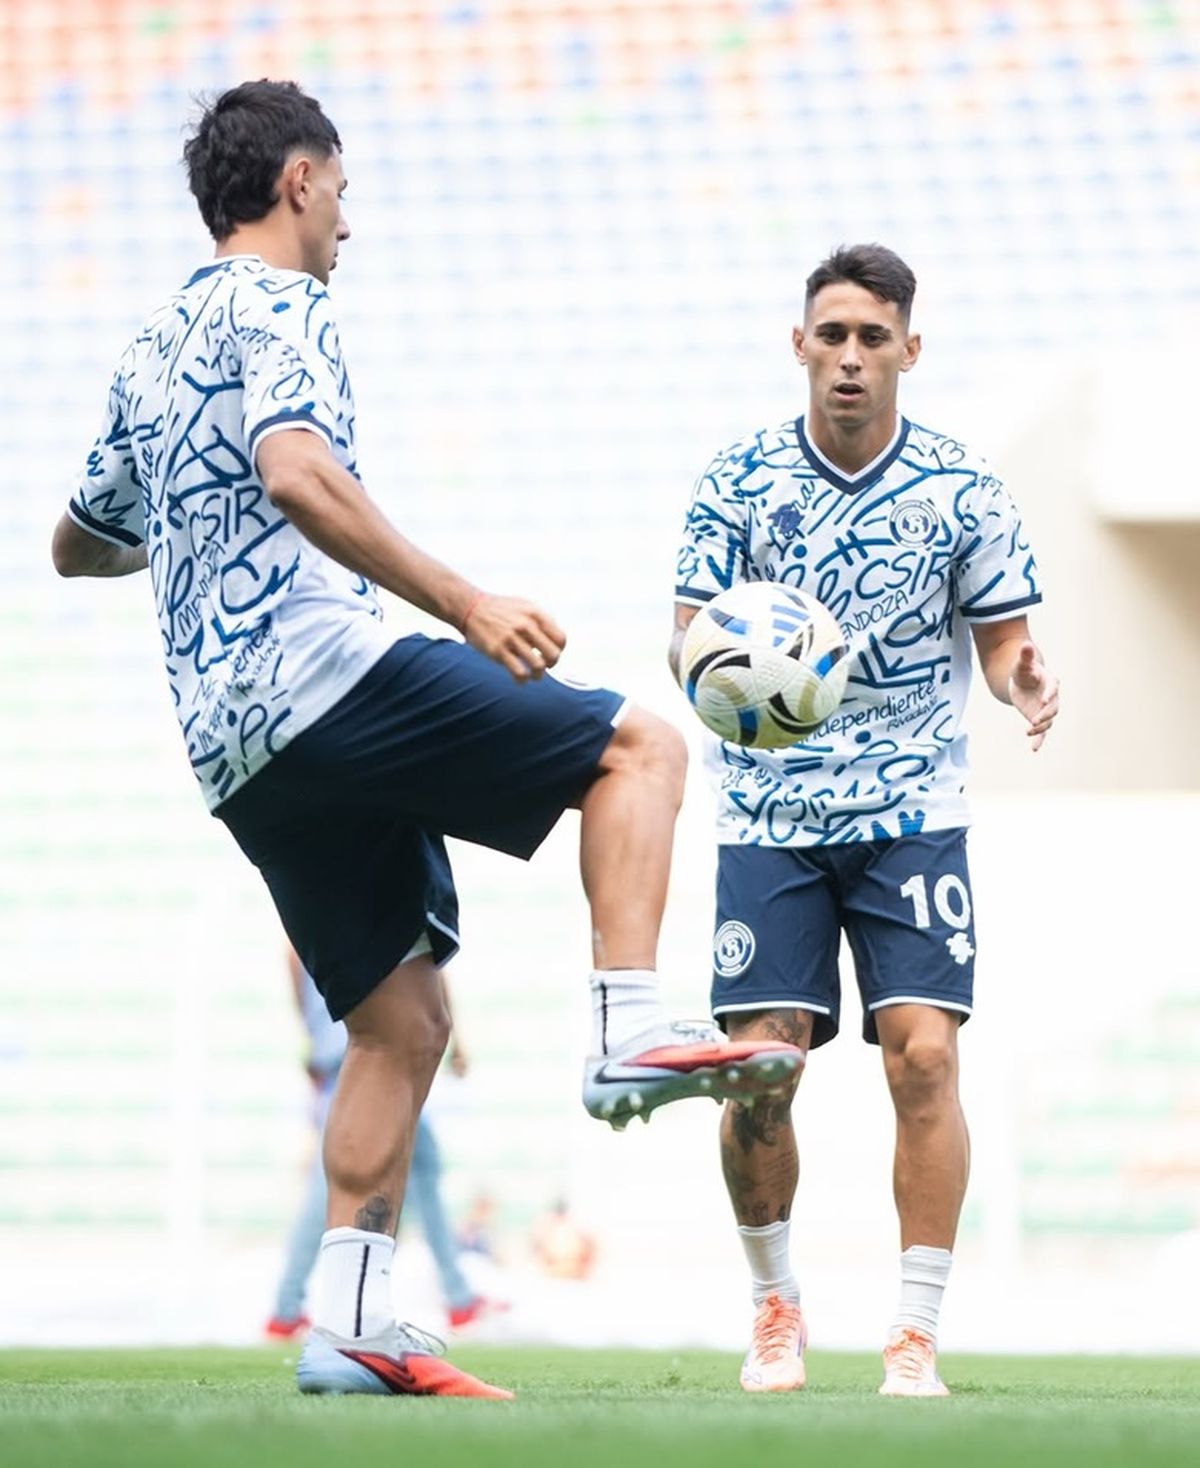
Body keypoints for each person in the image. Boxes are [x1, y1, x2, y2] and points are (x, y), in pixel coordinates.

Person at [50, 79, 803, 1400]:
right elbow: (293, 466)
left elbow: (77, 542)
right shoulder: (287, 304)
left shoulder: (154, 344)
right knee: (643, 749)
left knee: (398, 1022)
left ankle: (348, 1325)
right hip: (319, 675)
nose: (349, 219)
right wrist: (466, 601)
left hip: (232, 747)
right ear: (297, 182)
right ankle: (627, 1029)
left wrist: (191, 533)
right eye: (341, 190)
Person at [669, 244, 1059, 1398]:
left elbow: (1004, 644)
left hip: (912, 811)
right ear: (800, 344)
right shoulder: (736, 481)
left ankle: (915, 1333)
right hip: (768, 810)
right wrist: (738, 669)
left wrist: (1026, 677)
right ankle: (775, 1306)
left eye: (872, 338)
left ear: (909, 351)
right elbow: (684, 637)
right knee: (760, 1073)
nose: (849, 357)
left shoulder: (961, 489)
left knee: (926, 1059)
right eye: (830, 335)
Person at [266, 951, 502, 1338]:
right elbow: (428, 969)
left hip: (341, 1055)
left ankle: (459, 1299)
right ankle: (287, 1308)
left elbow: (293, 960)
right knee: (336, 1178)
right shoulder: (381, 903)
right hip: (374, 1058)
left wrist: (312, 1035)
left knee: (418, 1167)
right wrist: (455, 1041)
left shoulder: (307, 911)